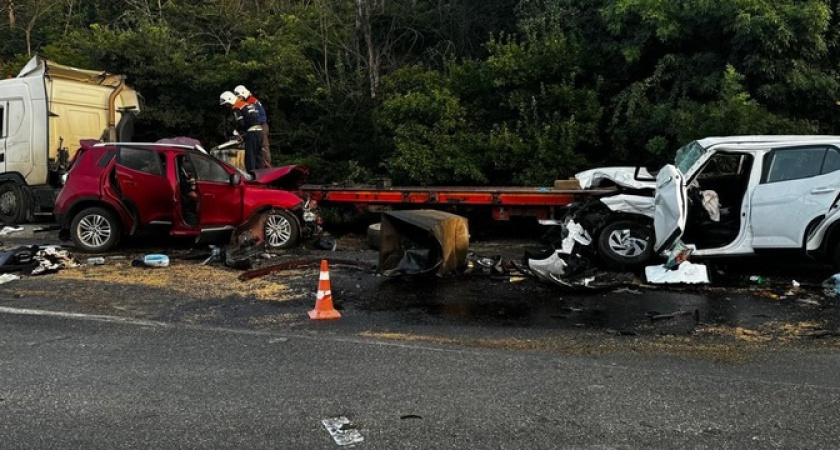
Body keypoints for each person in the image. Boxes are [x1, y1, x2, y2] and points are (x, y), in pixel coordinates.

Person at [220, 90, 264, 171]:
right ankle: (262, 174)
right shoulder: (247, 104)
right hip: (260, 131)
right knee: (258, 156)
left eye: (227, 104)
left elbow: (241, 123)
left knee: (250, 157)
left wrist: (237, 132)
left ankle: (252, 177)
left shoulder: (237, 107)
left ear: (230, 100)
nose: (227, 106)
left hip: (252, 132)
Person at [234, 85, 272, 168]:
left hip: (260, 126)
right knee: (259, 148)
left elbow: (255, 117)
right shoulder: (252, 100)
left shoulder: (251, 102)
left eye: (239, 96)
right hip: (259, 126)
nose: (239, 99)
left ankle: (267, 167)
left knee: (262, 149)